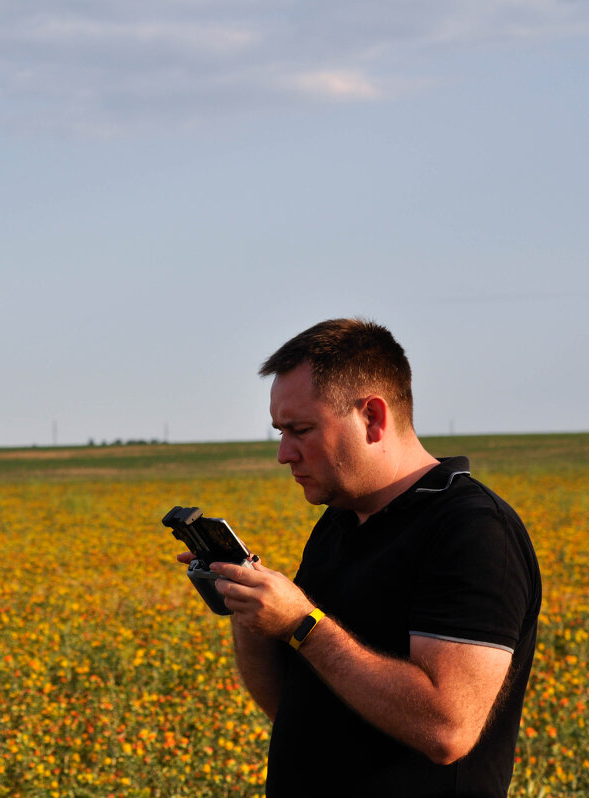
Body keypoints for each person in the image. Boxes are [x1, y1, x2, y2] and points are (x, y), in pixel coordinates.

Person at [177, 318, 541, 797]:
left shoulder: (472, 531)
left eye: (300, 429)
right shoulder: (339, 523)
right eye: (279, 432)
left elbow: (447, 729)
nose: (284, 453)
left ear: (372, 417)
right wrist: (246, 607)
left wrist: (303, 624)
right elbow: (295, 706)